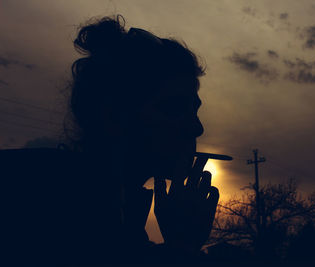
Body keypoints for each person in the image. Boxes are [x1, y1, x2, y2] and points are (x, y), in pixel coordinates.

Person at [0, 15, 219, 264]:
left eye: (194, 109)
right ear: (113, 116)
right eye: (173, 108)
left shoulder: (118, 213)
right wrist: (182, 248)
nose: (196, 127)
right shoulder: (51, 210)